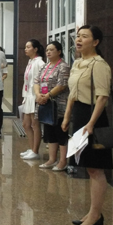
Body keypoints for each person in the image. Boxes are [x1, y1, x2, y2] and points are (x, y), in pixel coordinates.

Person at [62, 25, 112, 225]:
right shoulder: (78, 63)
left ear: (96, 42)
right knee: (89, 168)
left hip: (94, 118)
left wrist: (90, 124)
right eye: (78, 36)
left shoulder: (98, 65)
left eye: (84, 37)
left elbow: (102, 97)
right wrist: (66, 117)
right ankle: (93, 212)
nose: (79, 40)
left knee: (95, 169)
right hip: (80, 115)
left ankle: (95, 215)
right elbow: (72, 93)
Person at [35, 41, 70, 171]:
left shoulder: (63, 67)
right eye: (47, 50)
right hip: (46, 105)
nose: (48, 52)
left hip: (59, 105)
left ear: (59, 51)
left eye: (52, 50)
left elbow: (62, 85)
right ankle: (51, 159)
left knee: (60, 133)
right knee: (49, 132)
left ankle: (62, 161)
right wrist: (38, 94)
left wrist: (47, 95)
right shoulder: (45, 66)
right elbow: (36, 81)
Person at [19, 39, 46, 160]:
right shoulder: (30, 61)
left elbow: (41, 81)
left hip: (35, 96)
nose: (26, 49)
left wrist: (38, 95)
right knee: (26, 124)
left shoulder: (40, 63)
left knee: (35, 125)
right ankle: (31, 148)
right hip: (28, 96)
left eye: (28, 47)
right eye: (25, 47)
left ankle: (35, 151)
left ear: (35, 49)